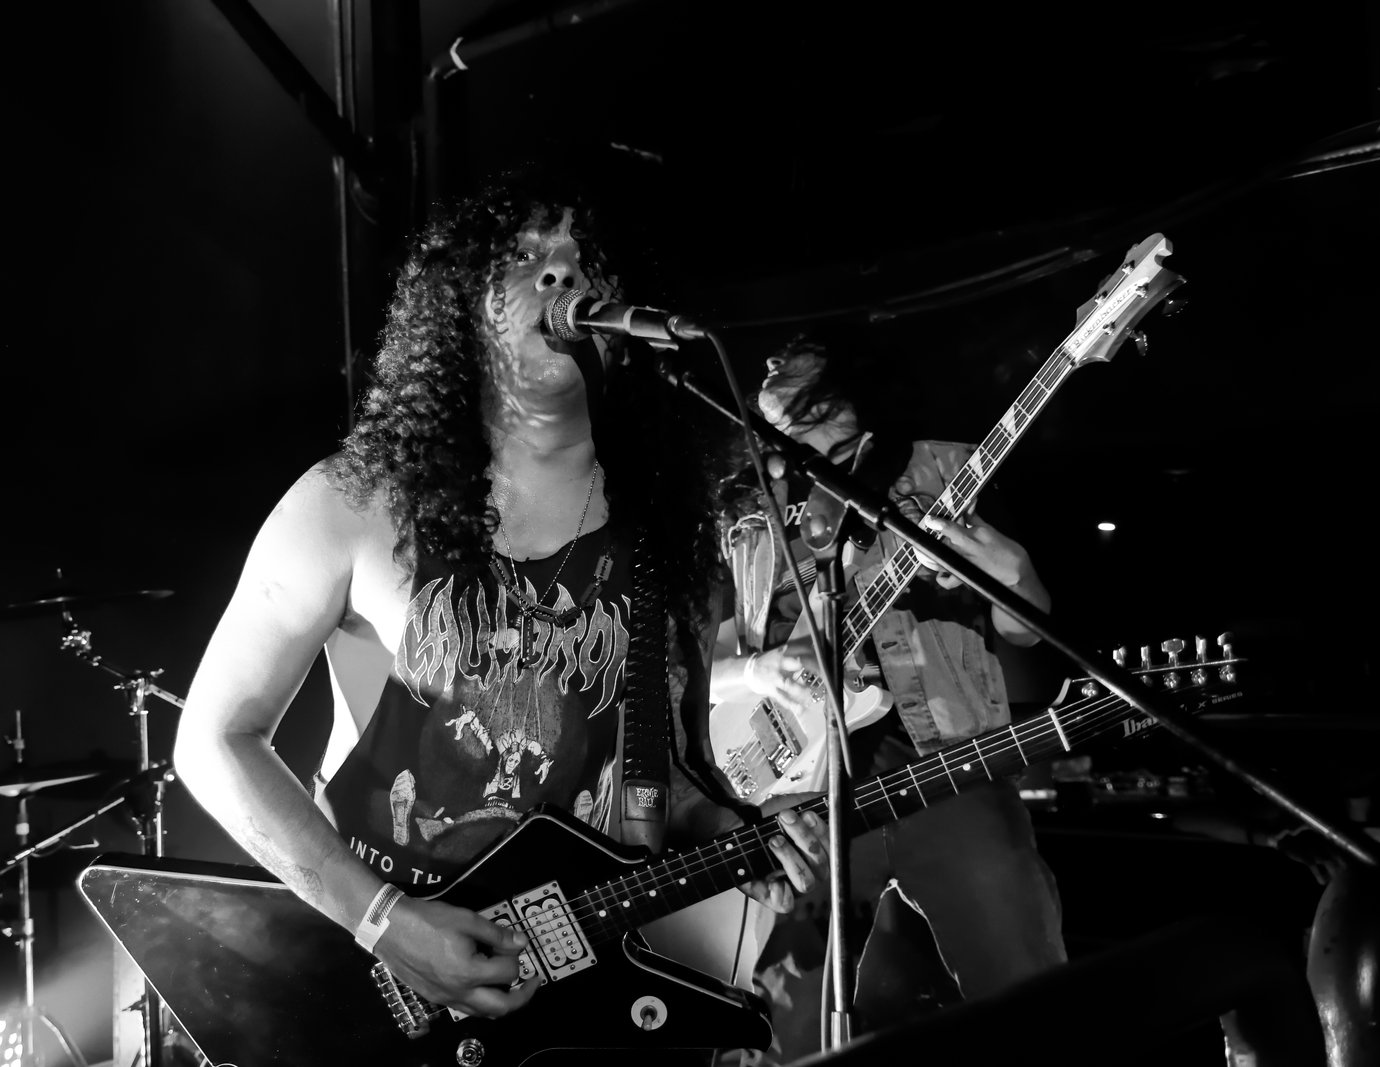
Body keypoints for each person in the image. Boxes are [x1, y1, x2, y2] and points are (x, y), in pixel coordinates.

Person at [173, 171, 828, 1044]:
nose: (561, 272)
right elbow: (213, 740)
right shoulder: (357, 501)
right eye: (523, 255)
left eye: (586, 258)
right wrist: (383, 921)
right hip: (376, 997)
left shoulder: (668, 534)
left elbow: (657, 774)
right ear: (461, 305)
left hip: (578, 1002)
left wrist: (735, 831)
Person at [708, 336, 1066, 1058]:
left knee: (1026, 994)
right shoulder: (743, 510)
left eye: (794, 355)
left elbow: (1024, 632)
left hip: (952, 769)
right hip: (798, 796)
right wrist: (760, 670)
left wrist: (1017, 576)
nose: (770, 362)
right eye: (768, 364)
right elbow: (701, 669)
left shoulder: (946, 468)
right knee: (784, 1019)